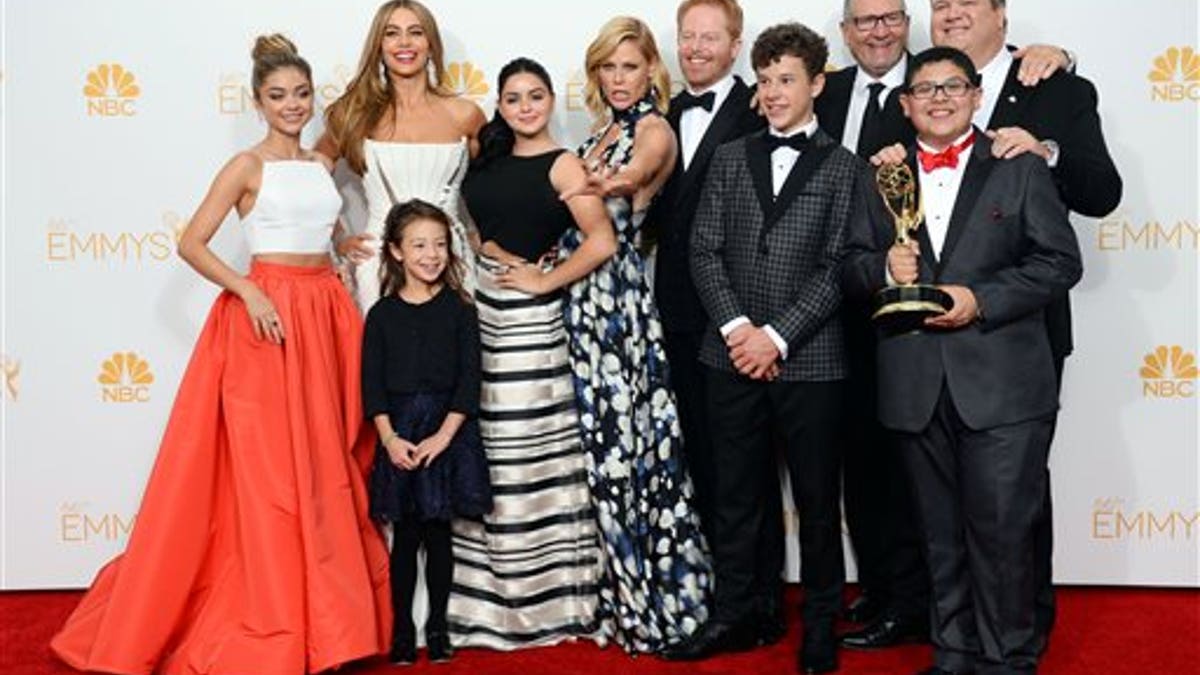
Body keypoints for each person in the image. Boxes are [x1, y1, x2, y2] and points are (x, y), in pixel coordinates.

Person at [50, 35, 391, 674]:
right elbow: (192, 242)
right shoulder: (246, 165)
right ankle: (280, 618)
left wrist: (340, 245)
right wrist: (247, 291)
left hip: (324, 313)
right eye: (277, 96)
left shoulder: (321, 164)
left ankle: (332, 626)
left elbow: (320, 222)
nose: (292, 106)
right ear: (259, 102)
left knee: (327, 463)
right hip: (267, 321)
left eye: (300, 94)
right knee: (272, 475)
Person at [818, 0, 1080, 650]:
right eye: (926, 89)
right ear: (905, 103)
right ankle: (955, 652)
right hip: (914, 384)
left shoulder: (1018, 163)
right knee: (937, 534)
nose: (940, 99)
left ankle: (1007, 657)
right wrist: (883, 265)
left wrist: (979, 298)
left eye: (953, 87)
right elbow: (848, 266)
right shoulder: (883, 174)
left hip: (1001, 384)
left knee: (1000, 534)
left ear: (977, 95)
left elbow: (1060, 262)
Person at [665, 22, 864, 674]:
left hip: (812, 359)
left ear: (816, 84)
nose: (775, 92)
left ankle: (820, 625)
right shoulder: (729, 158)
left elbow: (838, 264)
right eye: (767, 80)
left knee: (814, 497)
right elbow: (703, 249)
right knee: (734, 494)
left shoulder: (844, 167)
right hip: (729, 354)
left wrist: (776, 335)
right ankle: (734, 611)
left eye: (788, 80)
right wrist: (738, 330)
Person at [926, 0, 1122, 648]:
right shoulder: (920, 83)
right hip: (925, 338)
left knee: (1014, 497)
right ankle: (954, 634)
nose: (950, 13)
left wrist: (1049, 150)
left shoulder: (1054, 86)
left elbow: (1101, 190)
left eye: (966, 2)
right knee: (945, 501)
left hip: (1018, 333)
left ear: (1001, 15)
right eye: (938, 4)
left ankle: (1020, 633)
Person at [544, 16, 712, 653]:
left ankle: (655, 601)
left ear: (651, 71)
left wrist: (613, 180)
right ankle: (614, 594)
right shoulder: (597, 133)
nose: (619, 79)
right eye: (608, 68)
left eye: (630, 67)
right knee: (601, 456)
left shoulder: (651, 128)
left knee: (627, 457)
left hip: (617, 309)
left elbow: (642, 169)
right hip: (581, 303)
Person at [448, 58, 615, 650]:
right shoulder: (485, 157)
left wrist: (547, 281)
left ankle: (543, 600)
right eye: (514, 97)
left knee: (528, 451)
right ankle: (485, 599)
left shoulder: (564, 163)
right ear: (500, 104)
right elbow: (475, 219)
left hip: (532, 322)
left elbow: (603, 239)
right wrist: (482, 247)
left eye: (536, 96)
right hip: (482, 310)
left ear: (550, 102)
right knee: (488, 442)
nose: (525, 107)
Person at [643, 1, 788, 646]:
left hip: (740, 319)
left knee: (745, 467)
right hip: (675, 316)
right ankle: (721, 596)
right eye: (687, 37)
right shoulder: (662, 117)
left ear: (736, 46)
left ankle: (755, 606)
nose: (697, 48)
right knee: (701, 459)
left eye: (711, 37)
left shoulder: (765, 109)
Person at [362, 199, 492, 664]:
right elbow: (371, 386)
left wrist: (445, 435)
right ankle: (402, 633)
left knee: (439, 535)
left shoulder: (460, 309)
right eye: (419, 245)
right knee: (406, 539)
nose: (431, 254)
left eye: (440, 244)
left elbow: (469, 381)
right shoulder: (380, 315)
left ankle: (438, 629)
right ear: (396, 251)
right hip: (399, 432)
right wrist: (390, 439)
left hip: (446, 433)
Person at [319, 0, 487, 310]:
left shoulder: (465, 115)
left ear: (431, 43)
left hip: (450, 257)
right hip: (380, 261)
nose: (405, 43)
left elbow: (497, 183)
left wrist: (484, 236)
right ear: (378, 45)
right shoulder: (354, 115)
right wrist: (339, 236)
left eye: (415, 32)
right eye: (392, 33)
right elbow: (308, 178)